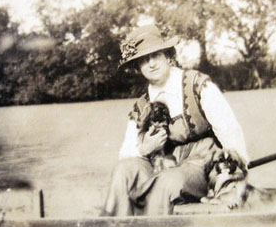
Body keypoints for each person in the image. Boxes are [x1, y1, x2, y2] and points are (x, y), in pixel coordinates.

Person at [102, 24, 250, 216]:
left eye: (155, 55)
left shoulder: (198, 85)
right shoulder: (141, 106)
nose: (151, 64)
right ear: (138, 68)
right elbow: (125, 154)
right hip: (162, 165)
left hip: (201, 164)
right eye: (143, 60)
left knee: (166, 182)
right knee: (123, 171)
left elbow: (229, 130)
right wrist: (145, 149)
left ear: (168, 56)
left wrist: (236, 174)